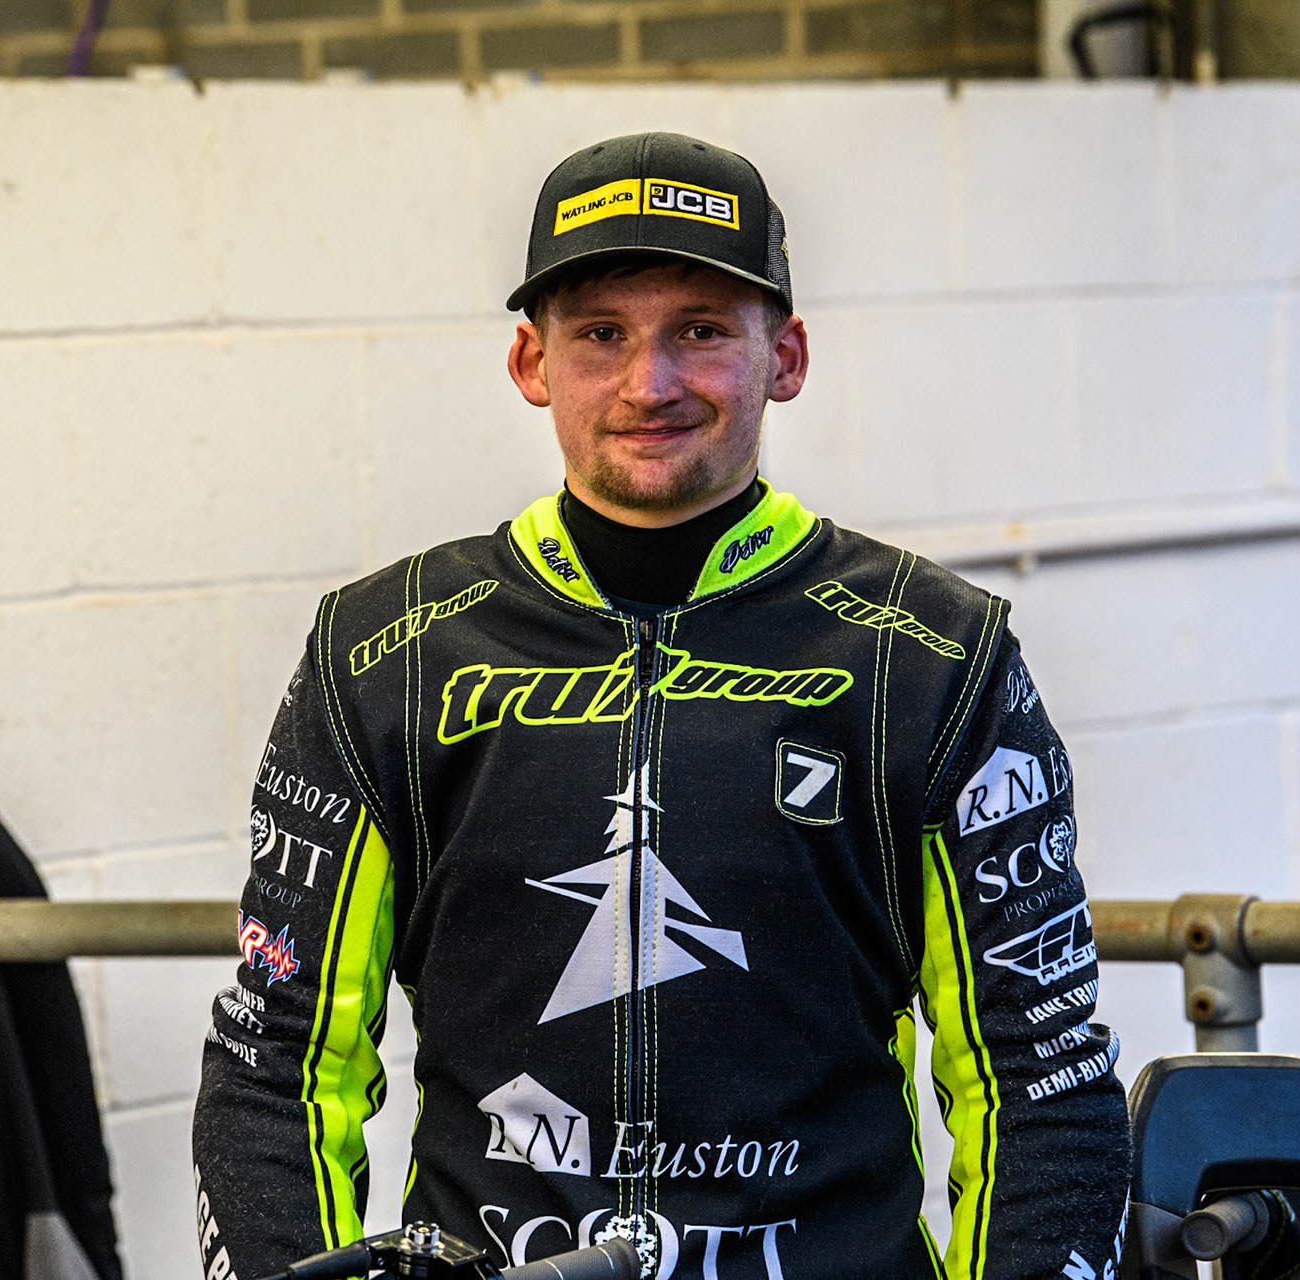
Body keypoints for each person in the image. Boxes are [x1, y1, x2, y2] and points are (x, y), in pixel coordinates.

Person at [192, 132, 1130, 1280]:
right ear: (531, 363)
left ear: (783, 356)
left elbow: (1041, 1072)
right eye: (601, 334)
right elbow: (276, 1061)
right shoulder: (386, 652)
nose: (652, 383)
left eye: (700, 328)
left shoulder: (934, 656)